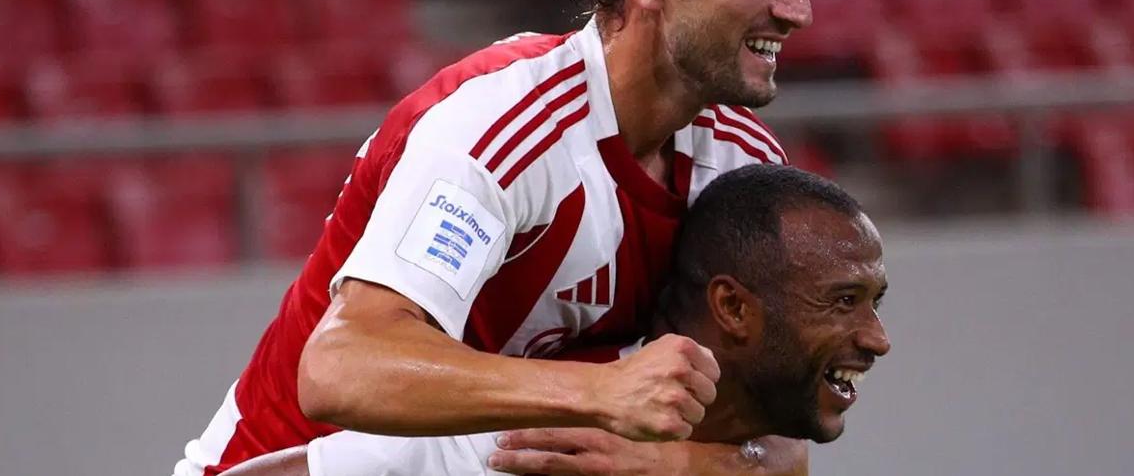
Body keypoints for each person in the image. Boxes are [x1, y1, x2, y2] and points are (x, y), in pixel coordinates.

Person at [175, 0, 817, 476]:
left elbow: (780, 441)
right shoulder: (504, 126)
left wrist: (671, 463)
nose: (799, 9)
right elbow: (340, 366)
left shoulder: (743, 164)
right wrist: (599, 392)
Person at [222, 165, 890, 476]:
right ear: (734, 308)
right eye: (843, 301)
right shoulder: (545, 444)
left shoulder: (759, 451)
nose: (877, 339)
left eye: (874, 301)